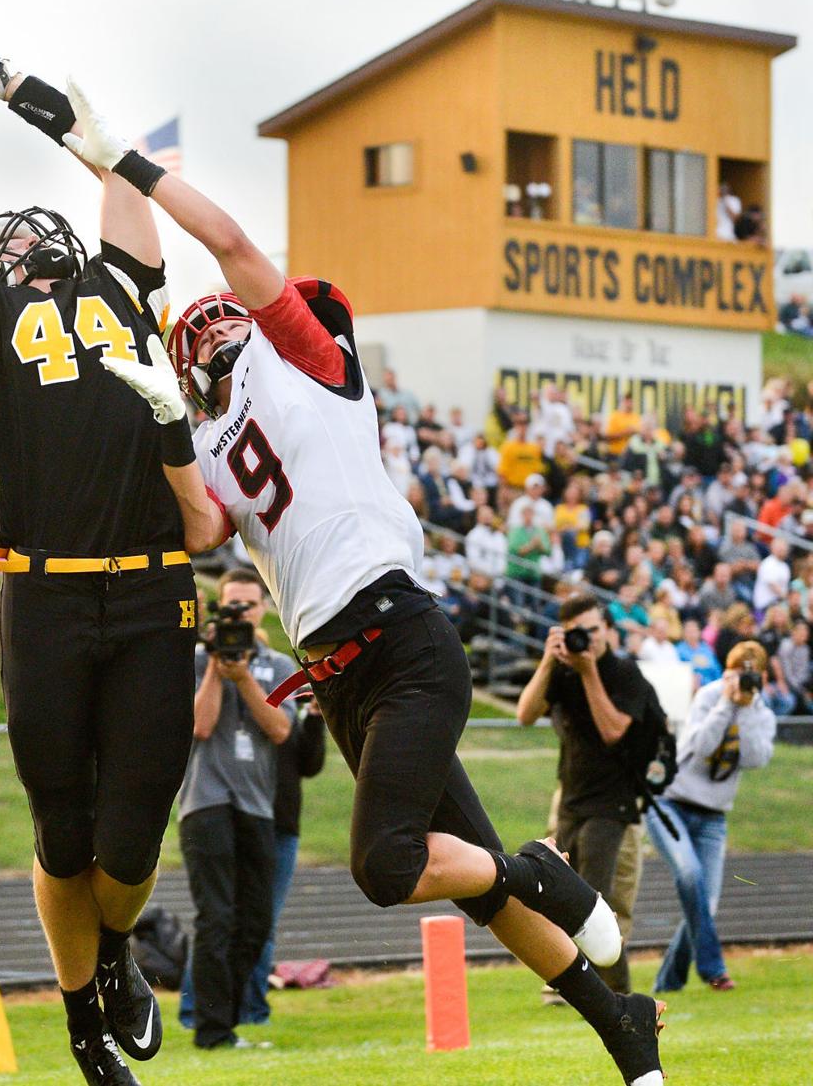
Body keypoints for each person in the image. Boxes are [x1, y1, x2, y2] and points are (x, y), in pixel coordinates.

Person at [74, 86, 665, 1085]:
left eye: (224, 316)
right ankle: (624, 1031)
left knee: (388, 863)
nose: (213, 328)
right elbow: (209, 525)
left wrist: (126, 166)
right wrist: (172, 431)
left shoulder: (306, 354)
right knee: (476, 892)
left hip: (397, 634)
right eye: (199, 329)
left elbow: (224, 237)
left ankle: (545, 872)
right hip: (339, 671)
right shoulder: (210, 438)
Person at [0, 29, 197, 1086]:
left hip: (153, 592)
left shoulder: (122, 285)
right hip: (46, 597)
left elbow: (111, 160)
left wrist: (9, 82)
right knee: (64, 837)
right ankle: (84, 1015)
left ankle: (112, 958)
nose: (22, 243)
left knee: (133, 843)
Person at [517, 593, 662, 996]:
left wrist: (588, 672)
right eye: (580, 633)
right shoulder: (563, 670)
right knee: (568, 897)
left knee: (594, 901)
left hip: (611, 804)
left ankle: (613, 994)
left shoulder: (624, 673)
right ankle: (595, 990)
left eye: (594, 630)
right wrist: (549, 660)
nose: (589, 640)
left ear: (608, 630)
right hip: (572, 799)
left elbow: (614, 730)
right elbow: (525, 715)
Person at [176, 568, 297, 1049]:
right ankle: (212, 1031)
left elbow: (282, 730)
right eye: (232, 606)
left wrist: (242, 676)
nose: (240, 614)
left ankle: (224, 1019)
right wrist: (214, 665)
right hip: (205, 802)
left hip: (257, 805)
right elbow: (200, 727)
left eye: (248, 605)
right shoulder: (194, 660)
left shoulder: (278, 666)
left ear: (263, 608)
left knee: (255, 921)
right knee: (216, 917)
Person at [645, 640, 775, 993]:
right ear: (728, 669)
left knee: (708, 902)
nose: (741, 681)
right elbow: (701, 747)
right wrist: (725, 705)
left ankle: (668, 981)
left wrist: (745, 709)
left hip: (713, 817)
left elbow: (755, 758)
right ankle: (714, 967)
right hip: (670, 804)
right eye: (736, 672)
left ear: (760, 675)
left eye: (749, 674)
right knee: (689, 875)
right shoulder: (708, 696)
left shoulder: (762, 713)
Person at [241, 688, 326, 1024]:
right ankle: (210, 1010)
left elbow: (310, 762)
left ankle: (253, 1009)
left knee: (264, 921)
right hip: (239, 820)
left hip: (281, 824)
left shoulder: (291, 701)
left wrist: (316, 717)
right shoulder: (235, 695)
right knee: (225, 919)